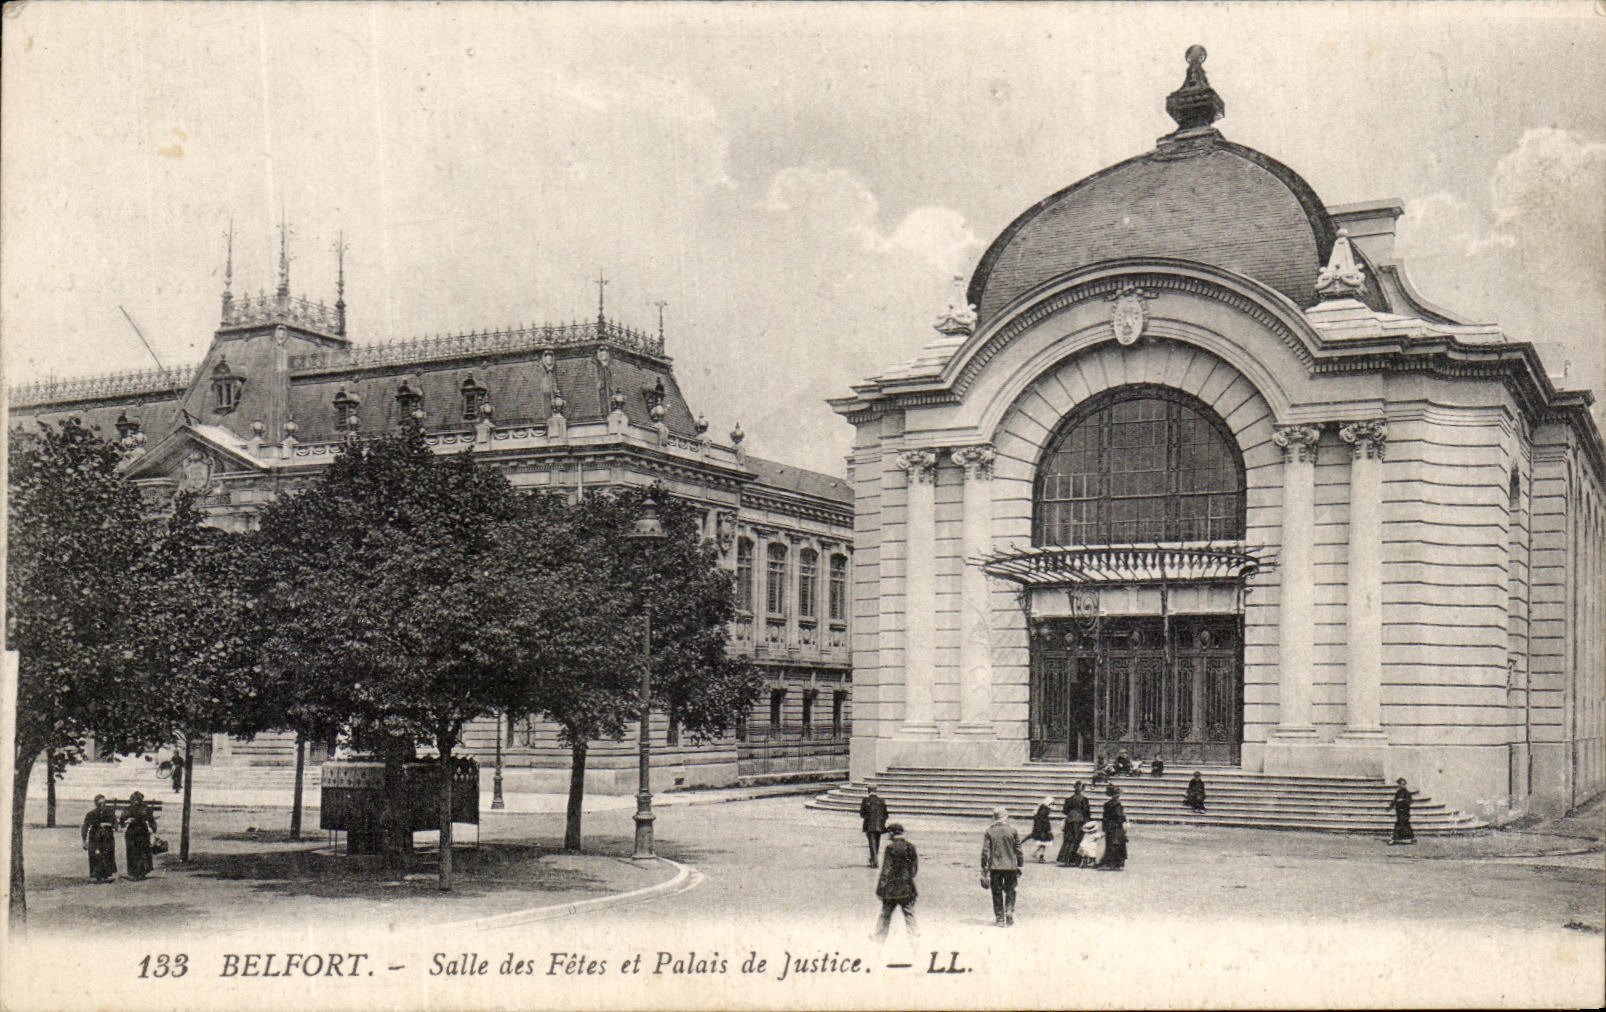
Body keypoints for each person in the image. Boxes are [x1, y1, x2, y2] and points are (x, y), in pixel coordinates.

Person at [873, 824, 918, 942]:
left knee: (885, 915)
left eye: (889, 833)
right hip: (907, 888)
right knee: (909, 915)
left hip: (891, 889)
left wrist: (880, 888)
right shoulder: (910, 847)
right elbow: (914, 870)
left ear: (892, 833)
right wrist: (906, 878)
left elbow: (886, 870)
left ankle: (879, 939)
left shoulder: (890, 848)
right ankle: (914, 938)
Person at [980, 807, 1023, 927]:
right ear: (1006, 817)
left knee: (996, 892)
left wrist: (984, 866)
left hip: (995, 867)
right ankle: (1009, 910)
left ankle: (999, 917)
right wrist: (1020, 864)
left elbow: (985, 851)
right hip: (1010, 866)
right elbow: (1018, 849)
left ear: (994, 817)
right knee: (1011, 889)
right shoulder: (1012, 831)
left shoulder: (990, 831)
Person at [121, 791, 159, 880]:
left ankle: (141, 871)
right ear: (131, 800)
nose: (136, 801)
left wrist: (153, 830)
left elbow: (151, 820)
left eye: (138, 799)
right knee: (132, 852)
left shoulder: (145, 808)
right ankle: (134, 872)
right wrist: (127, 821)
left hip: (142, 831)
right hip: (132, 831)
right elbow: (122, 821)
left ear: (141, 800)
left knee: (143, 852)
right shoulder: (128, 809)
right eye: (134, 799)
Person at [81, 795, 118, 883]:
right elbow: (85, 827)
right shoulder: (91, 814)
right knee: (95, 855)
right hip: (95, 837)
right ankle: (97, 875)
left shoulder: (110, 813)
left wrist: (108, 824)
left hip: (107, 836)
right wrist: (84, 840)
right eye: (100, 803)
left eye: (104, 803)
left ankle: (106, 875)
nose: (102, 805)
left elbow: (116, 824)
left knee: (107, 854)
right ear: (96, 804)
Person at [1057, 783, 1092, 866]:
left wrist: (1071, 813)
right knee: (1078, 839)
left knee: (1068, 839)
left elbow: (1065, 811)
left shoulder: (1069, 799)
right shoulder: (1084, 799)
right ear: (1082, 789)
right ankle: (1075, 859)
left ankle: (1064, 858)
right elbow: (1086, 811)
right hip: (1080, 820)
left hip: (1069, 820)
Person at [1099, 786, 1128, 870]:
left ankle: (1109, 862)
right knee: (1117, 844)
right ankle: (1117, 864)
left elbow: (1104, 817)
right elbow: (1119, 816)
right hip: (1116, 826)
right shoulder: (1118, 804)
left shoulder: (1107, 804)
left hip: (1109, 825)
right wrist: (1124, 820)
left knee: (1110, 843)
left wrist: (1104, 827)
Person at [859, 784, 889, 867]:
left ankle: (874, 861)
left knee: (871, 843)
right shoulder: (881, 800)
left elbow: (862, 814)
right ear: (876, 790)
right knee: (877, 843)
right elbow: (886, 814)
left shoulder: (865, 800)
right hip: (879, 825)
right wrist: (882, 822)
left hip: (869, 825)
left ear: (868, 790)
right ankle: (874, 858)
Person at [1387, 778, 1416, 845]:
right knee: (1403, 824)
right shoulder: (1398, 792)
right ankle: (1411, 838)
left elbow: (1411, 801)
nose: (1402, 785)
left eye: (1403, 784)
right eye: (1400, 784)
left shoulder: (1407, 793)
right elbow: (1394, 801)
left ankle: (1394, 839)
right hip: (1399, 811)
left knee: (1402, 824)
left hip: (1405, 811)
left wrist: (1403, 800)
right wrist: (1390, 807)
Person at [1026, 796, 1055, 863]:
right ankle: (1039, 856)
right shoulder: (1045, 810)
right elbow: (1044, 820)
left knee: (1043, 844)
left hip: (1041, 828)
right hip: (1043, 829)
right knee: (1044, 843)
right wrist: (1047, 828)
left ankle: (1037, 854)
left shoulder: (1041, 808)